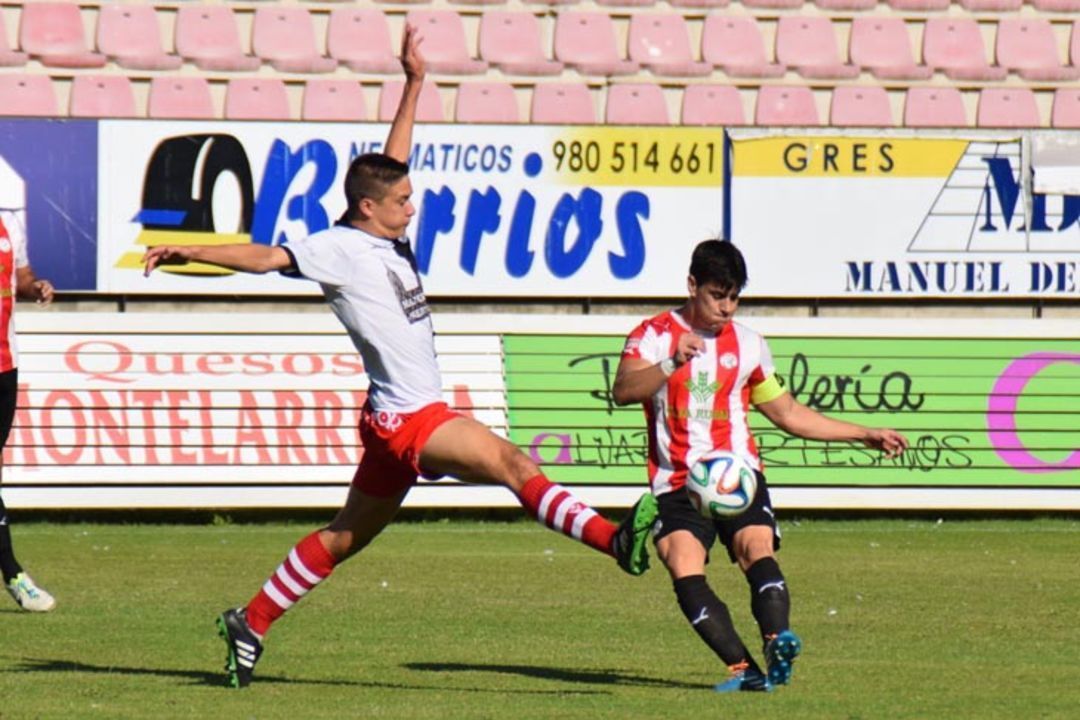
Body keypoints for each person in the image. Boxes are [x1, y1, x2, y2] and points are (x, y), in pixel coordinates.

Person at [143, 25, 658, 689]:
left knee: (345, 538)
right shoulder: (339, 247)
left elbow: (391, 163)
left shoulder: (381, 238)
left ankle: (252, 619)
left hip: (393, 420)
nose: (412, 209)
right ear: (368, 208)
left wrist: (415, 83)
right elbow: (269, 255)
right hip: (412, 417)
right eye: (402, 202)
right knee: (512, 461)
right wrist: (192, 250)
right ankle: (614, 543)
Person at [612, 240, 909, 693]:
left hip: (738, 477)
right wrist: (672, 361)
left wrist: (863, 433)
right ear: (692, 285)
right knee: (682, 564)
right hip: (676, 482)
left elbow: (788, 413)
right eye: (717, 295)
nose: (727, 307)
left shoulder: (749, 345)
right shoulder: (653, 335)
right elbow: (624, 390)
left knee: (757, 550)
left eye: (734, 297)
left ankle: (776, 642)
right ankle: (744, 670)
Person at [0, 202, 57, 612]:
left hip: (5, 365)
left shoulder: (8, 222)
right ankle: (14, 574)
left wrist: (34, 286)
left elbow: (20, 276)